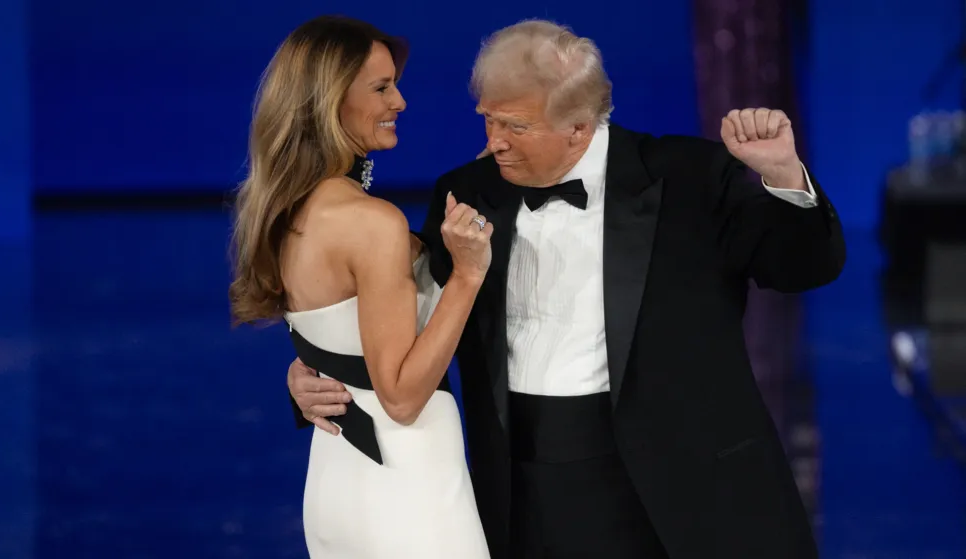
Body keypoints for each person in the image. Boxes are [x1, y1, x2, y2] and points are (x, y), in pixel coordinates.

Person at [288, 19, 845, 559]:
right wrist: (311, 375)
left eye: (517, 127)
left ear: (579, 126)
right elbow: (403, 315)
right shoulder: (466, 191)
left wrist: (786, 178)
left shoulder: (689, 178)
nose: (495, 143)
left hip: (677, 485)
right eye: (489, 121)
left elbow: (800, 268)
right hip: (521, 488)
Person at [228, 15, 493, 559]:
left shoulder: (287, 208)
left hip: (339, 477)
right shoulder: (371, 221)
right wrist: (467, 275)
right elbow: (399, 397)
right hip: (406, 485)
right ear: (329, 101)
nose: (400, 102)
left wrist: (302, 377)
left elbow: (335, 336)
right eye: (381, 87)